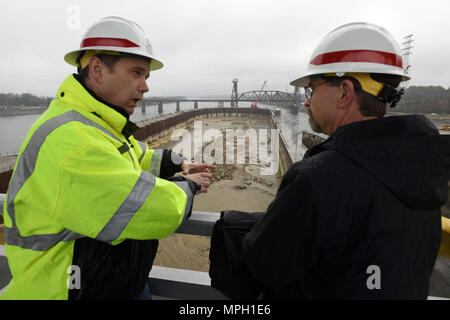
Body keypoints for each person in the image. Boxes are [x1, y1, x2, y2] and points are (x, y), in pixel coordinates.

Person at [1, 16, 213, 300]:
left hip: (110, 281)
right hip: (67, 291)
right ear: (98, 69)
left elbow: (134, 155)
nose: (145, 87)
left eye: (146, 76)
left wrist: (176, 163)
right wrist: (189, 184)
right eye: (136, 73)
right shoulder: (72, 141)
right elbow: (153, 208)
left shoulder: (94, 122)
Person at [241, 22, 450, 299]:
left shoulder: (317, 179)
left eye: (311, 89)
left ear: (344, 92)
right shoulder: (424, 168)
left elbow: (266, 265)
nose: (306, 102)